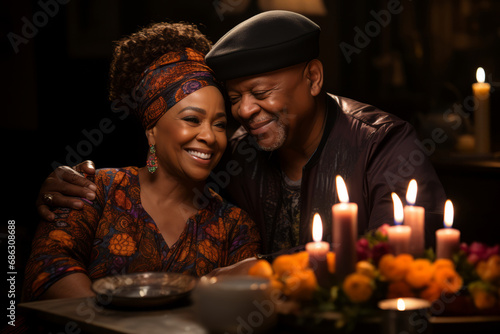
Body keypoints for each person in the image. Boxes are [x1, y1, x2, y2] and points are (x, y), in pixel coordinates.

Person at [36, 11, 446, 257]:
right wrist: (65, 187)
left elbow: (399, 263)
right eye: (235, 97)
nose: (244, 111)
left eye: (260, 93)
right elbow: (164, 177)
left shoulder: (383, 144)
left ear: (314, 77)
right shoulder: (236, 152)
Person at [23, 22, 260, 301]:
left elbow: (242, 303)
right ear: (152, 131)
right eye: (192, 120)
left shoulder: (234, 226)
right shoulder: (93, 190)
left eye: (219, 124)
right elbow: (49, 268)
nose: (209, 136)